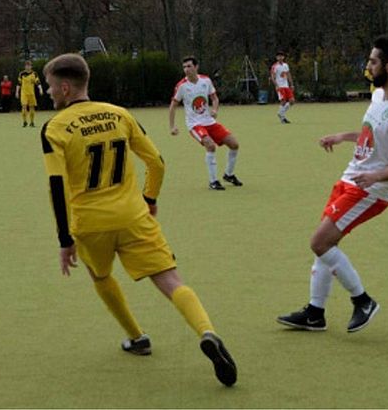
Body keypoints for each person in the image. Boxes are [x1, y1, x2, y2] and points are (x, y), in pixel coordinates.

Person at [39, 53, 238, 387]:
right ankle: (207, 331)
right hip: (134, 216)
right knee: (170, 280)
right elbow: (157, 162)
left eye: (49, 87)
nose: (47, 92)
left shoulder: (54, 128)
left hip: (90, 223)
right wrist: (150, 199)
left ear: (65, 87)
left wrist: (64, 240)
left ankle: (136, 337)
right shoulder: (120, 115)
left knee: (100, 276)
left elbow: (56, 186)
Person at [276, 34, 388, 333]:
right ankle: (315, 313)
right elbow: (371, 134)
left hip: (370, 191)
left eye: (373, 61)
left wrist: (374, 176)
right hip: (350, 178)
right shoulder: (379, 95)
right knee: (325, 245)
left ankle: (362, 300)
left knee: (319, 241)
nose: (368, 67)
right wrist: (342, 137)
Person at [168, 56, 243, 191]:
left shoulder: (206, 80)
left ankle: (229, 174)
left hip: (209, 121)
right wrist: (172, 126)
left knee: (234, 144)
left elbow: (214, 98)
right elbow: (173, 106)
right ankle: (213, 181)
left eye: (189, 66)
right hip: (195, 125)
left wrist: (214, 109)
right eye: (184, 67)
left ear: (196, 67)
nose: (186, 69)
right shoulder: (182, 86)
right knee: (210, 145)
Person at [270, 51, 295, 123]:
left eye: (281, 56)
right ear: (276, 58)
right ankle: (282, 118)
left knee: (292, 101)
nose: (280, 57)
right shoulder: (275, 66)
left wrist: (291, 84)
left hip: (286, 86)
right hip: (280, 86)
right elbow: (273, 77)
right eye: (278, 56)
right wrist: (276, 85)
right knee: (283, 101)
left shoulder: (285, 65)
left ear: (283, 57)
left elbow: (288, 75)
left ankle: (280, 113)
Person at [16, 61, 40, 127]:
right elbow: (19, 83)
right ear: (25, 66)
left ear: (31, 66)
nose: (28, 67)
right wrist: (17, 92)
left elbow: (38, 82)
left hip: (31, 94)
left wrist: (40, 89)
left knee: (32, 107)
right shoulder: (21, 74)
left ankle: (32, 122)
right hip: (24, 93)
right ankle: (24, 121)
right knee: (24, 106)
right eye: (27, 65)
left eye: (29, 65)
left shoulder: (34, 73)